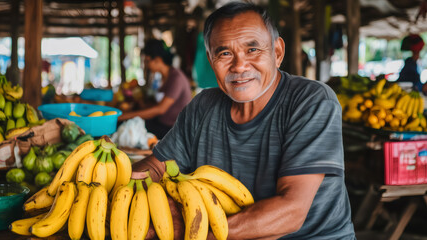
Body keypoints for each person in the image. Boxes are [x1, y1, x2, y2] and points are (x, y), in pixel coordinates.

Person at [132, 2, 355, 239]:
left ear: (277, 52)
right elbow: (157, 166)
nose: (239, 66)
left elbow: (291, 212)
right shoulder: (202, 106)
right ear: (211, 61)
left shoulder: (311, 101)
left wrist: (194, 233)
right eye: (225, 53)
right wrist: (117, 189)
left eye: (252, 50)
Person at [118, 39, 192, 139]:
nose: (147, 65)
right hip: (161, 122)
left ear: (158, 60)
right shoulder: (162, 77)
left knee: (125, 125)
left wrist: (124, 116)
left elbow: (160, 109)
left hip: (172, 129)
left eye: (147, 61)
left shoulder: (176, 78)